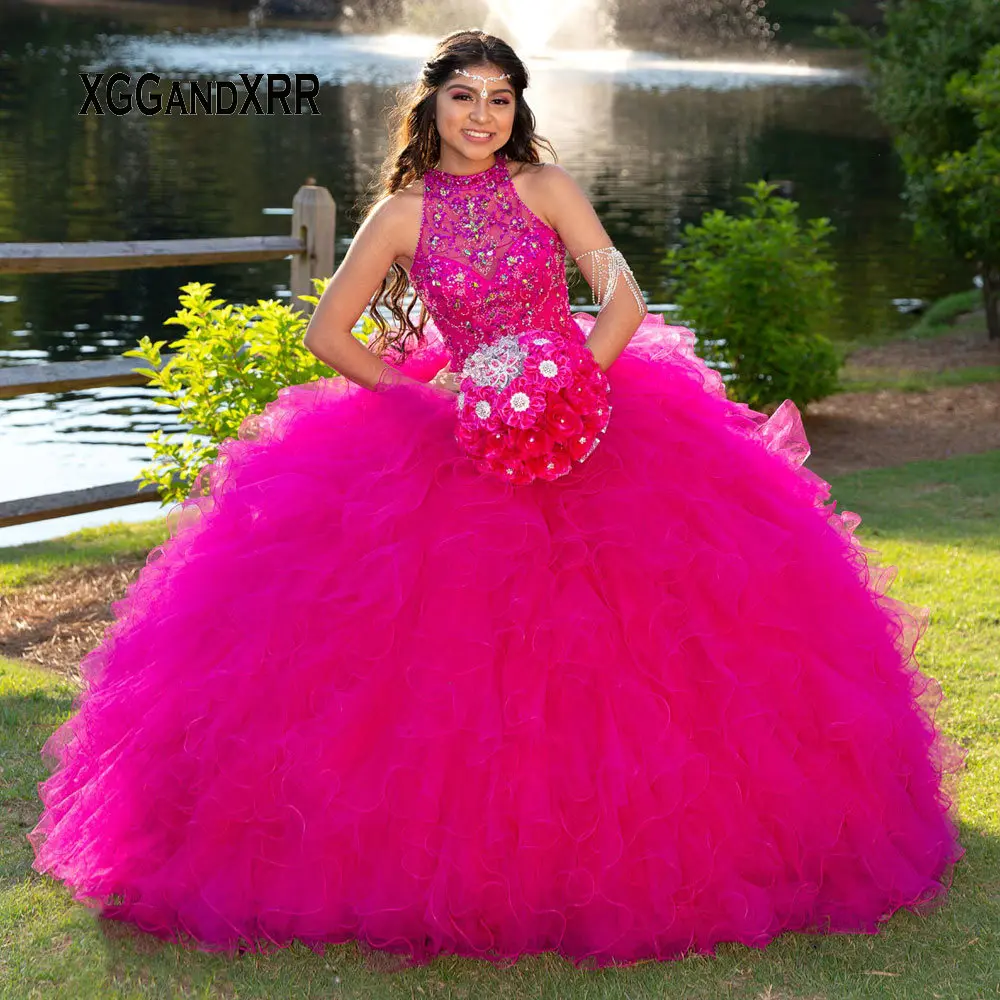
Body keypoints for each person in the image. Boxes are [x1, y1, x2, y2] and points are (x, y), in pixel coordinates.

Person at [29, 28, 965, 970]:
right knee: (443, 646)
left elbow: (624, 301)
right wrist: (428, 401)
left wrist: (576, 386)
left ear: (518, 110)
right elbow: (329, 332)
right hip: (461, 429)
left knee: (648, 632)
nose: (484, 116)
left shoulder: (547, 190)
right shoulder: (401, 214)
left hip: (594, 413)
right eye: (465, 97)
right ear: (430, 105)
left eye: (501, 99)